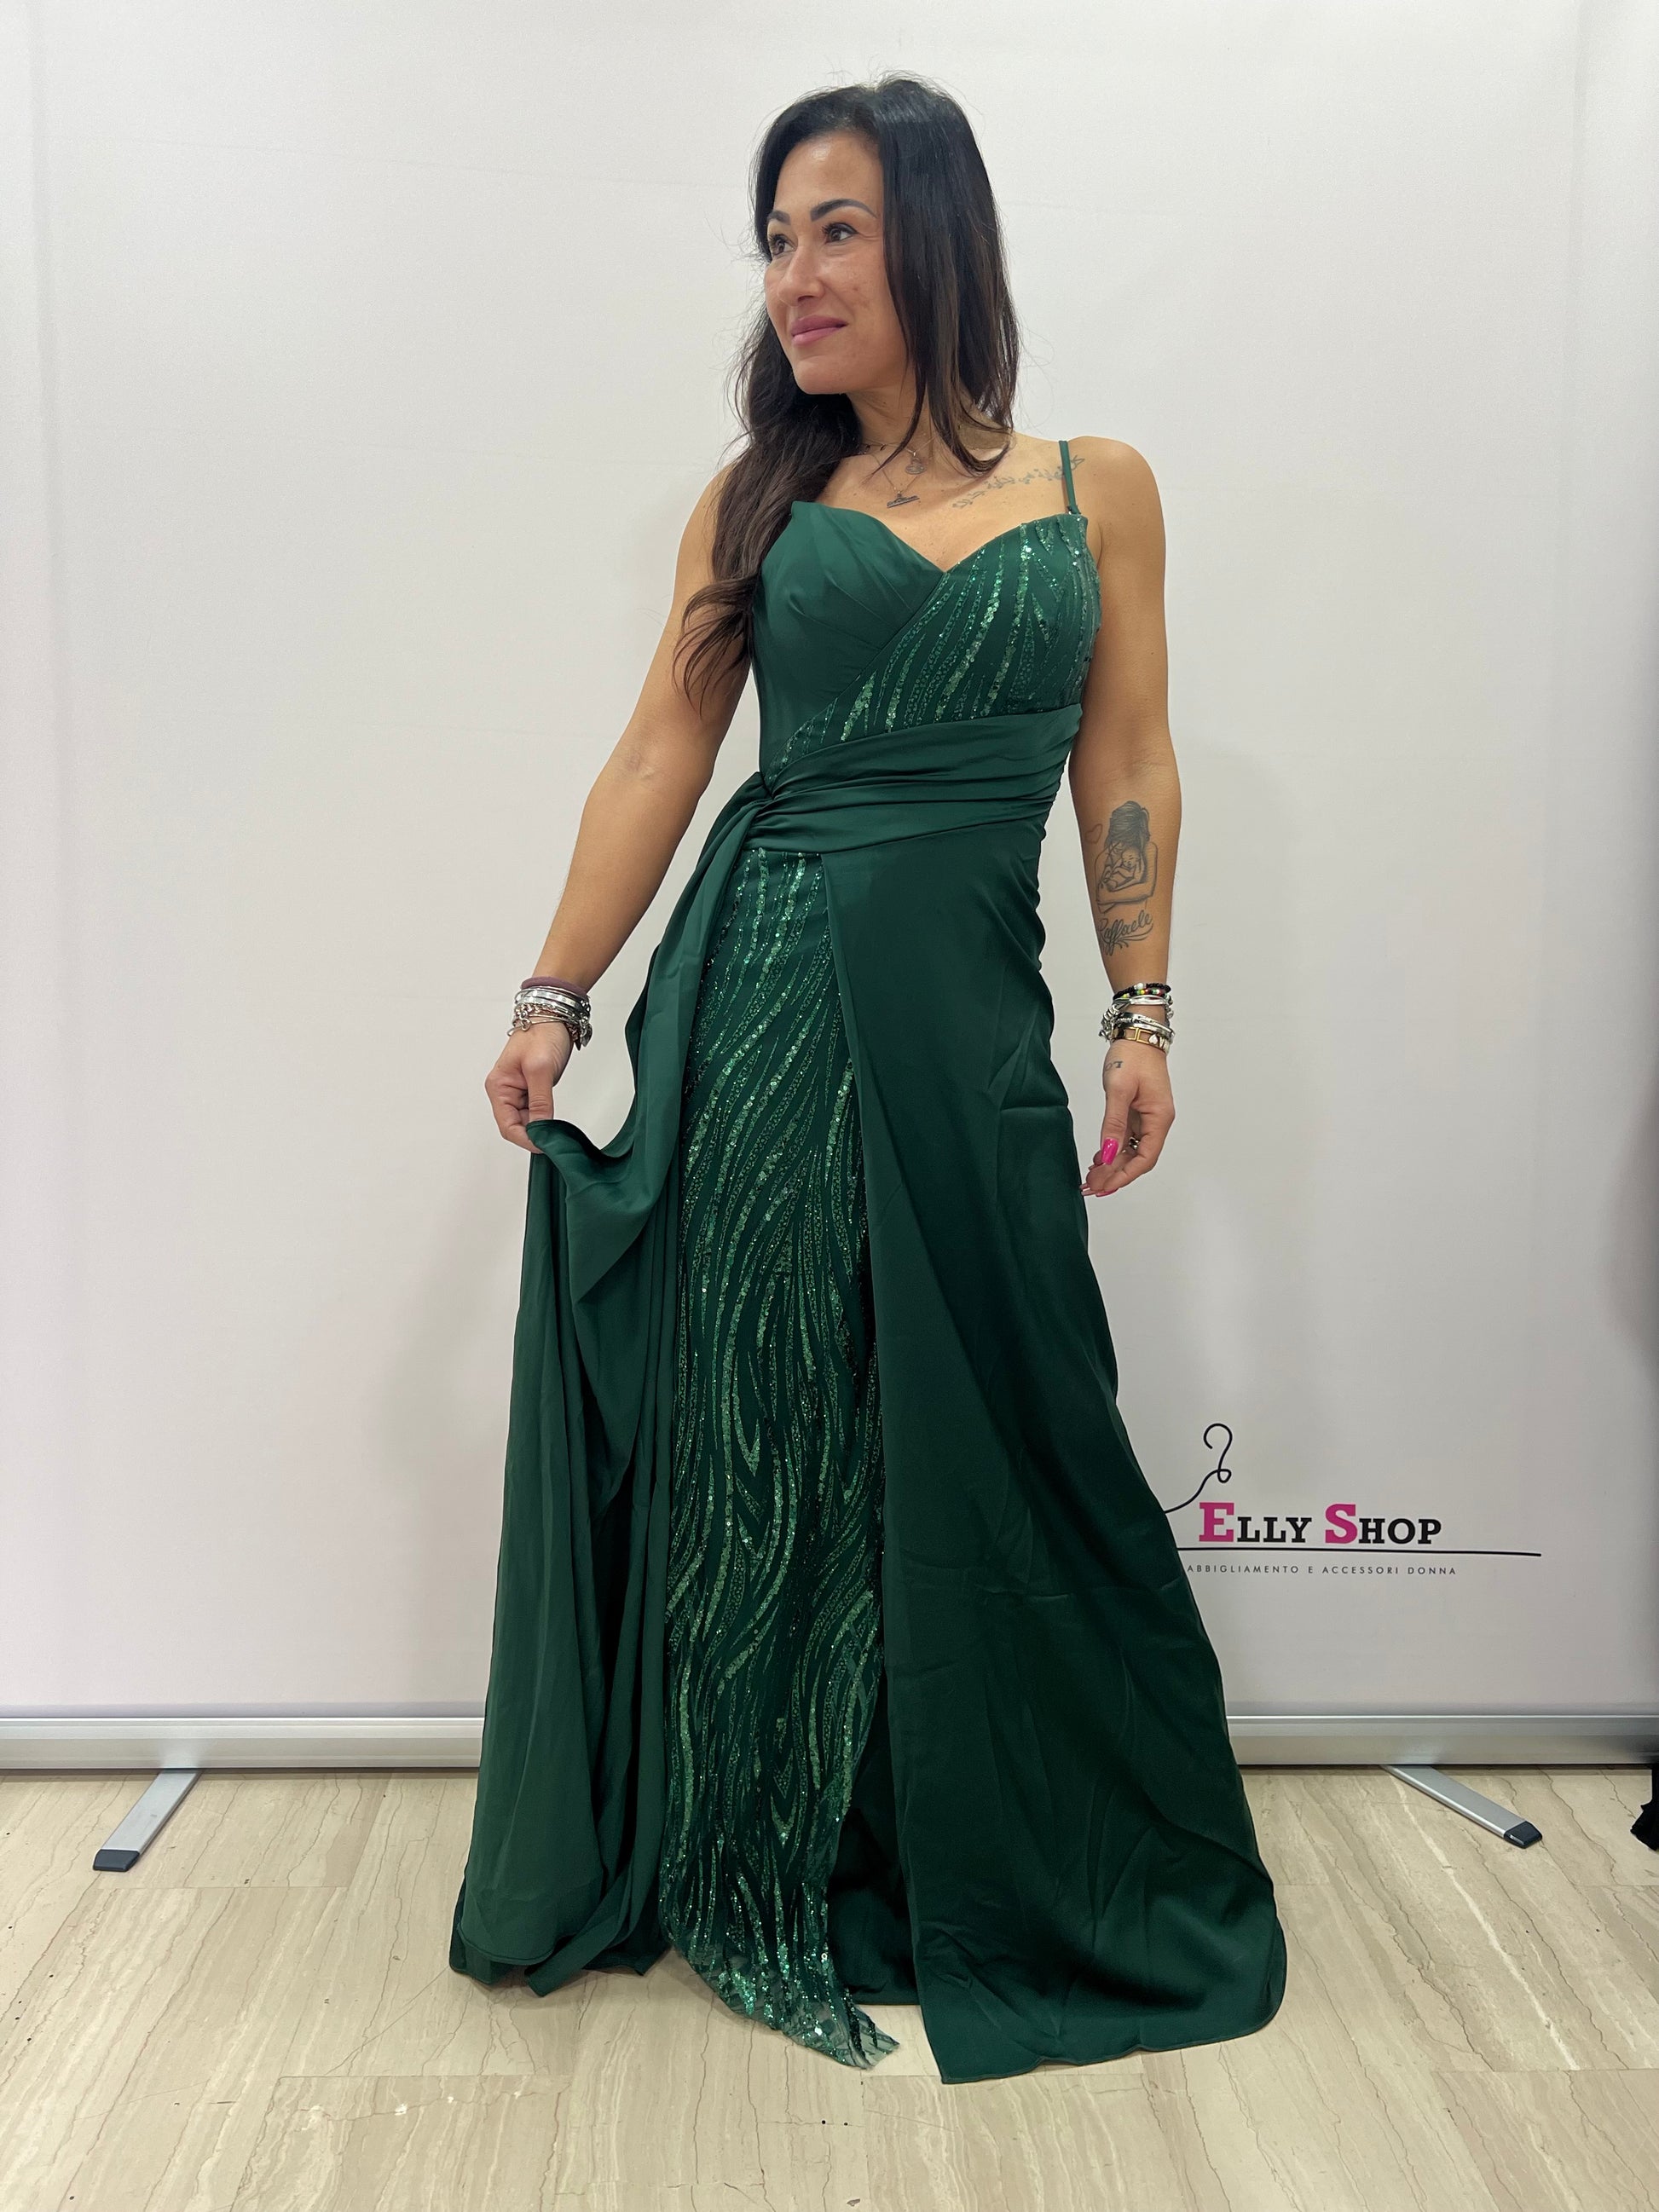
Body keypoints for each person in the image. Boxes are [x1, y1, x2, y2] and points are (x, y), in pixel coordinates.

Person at [448, 72, 1287, 2086]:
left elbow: (1127, 755)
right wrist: (556, 991)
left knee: (1014, 1410)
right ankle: (779, 1831)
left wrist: (1144, 1009)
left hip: (972, 1019)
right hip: (768, 988)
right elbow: (660, 752)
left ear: (935, 236)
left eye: (835, 228)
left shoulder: (1098, 487)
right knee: (778, 1417)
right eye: (774, 238)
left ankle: (1012, 1840)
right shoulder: (758, 502)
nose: (795, 275)